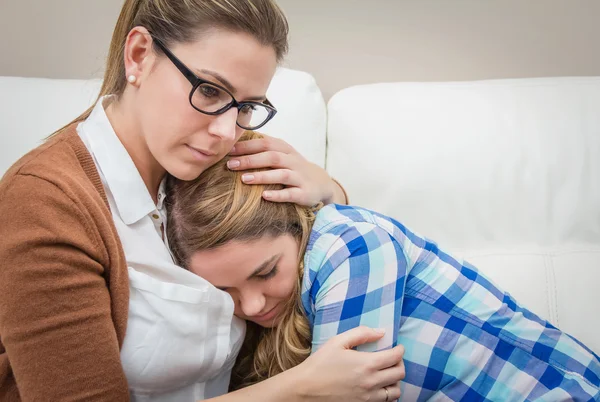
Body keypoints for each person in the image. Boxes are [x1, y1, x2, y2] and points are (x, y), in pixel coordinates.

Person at [0, 1, 405, 401]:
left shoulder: (214, 164)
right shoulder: (45, 204)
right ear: (139, 55)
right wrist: (298, 389)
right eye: (209, 91)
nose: (226, 132)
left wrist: (329, 193)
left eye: (246, 107)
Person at [166, 131, 600, 401]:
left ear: (299, 226)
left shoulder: (352, 244)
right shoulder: (268, 312)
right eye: (226, 292)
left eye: (265, 272)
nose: (253, 304)